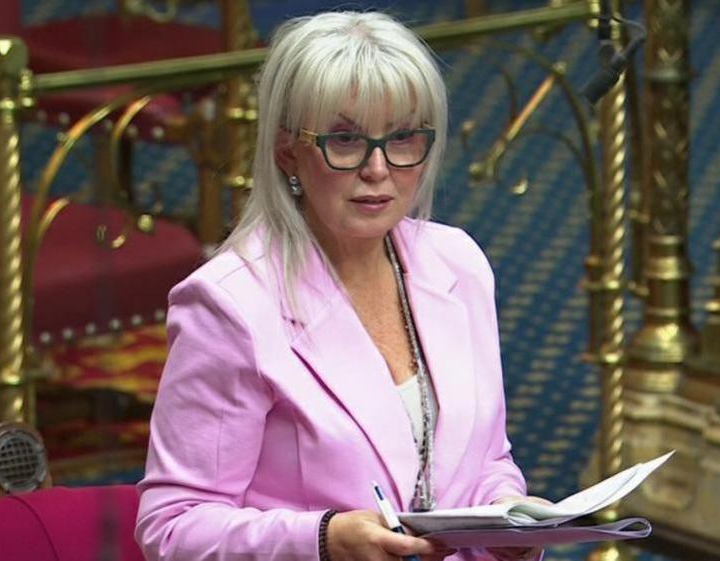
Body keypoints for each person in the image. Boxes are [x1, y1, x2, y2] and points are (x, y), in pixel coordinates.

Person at [136, 10, 543, 561]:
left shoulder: (458, 262)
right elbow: (173, 529)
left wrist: (508, 524)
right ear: (288, 153)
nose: (378, 168)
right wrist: (322, 541)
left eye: (402, 139)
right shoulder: (229, 305)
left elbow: (487, 457)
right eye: (346, 141)